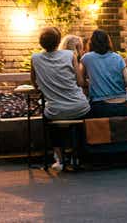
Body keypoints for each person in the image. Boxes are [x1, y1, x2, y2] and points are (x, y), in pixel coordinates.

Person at [30, 27, 91, 171]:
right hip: (80, 106)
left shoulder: (35, 59)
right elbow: (80, 82)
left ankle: (59, 159)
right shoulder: (69, 55)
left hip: (56, 110)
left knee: (48, 119)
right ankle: (79, 155)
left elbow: (34, 83)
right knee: (82, 120)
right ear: (58, 42)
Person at [78, 30, 127, 117]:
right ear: (108, 42)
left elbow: (80, 81)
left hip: (101, 107)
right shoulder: (118, 57)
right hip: (122, 106)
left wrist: (93, 82)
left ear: (92, 42)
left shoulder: (87, 58)